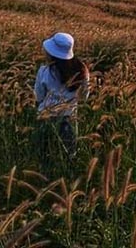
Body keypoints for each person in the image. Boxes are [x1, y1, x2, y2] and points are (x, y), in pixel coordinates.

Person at [34, 32, 90, 169]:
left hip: (46, 119)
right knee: (68, 159)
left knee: (44, 159)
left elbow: (39, 96)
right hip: (69, 120)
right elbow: (84, 97)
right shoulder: (82, 71)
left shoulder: (44, 71)